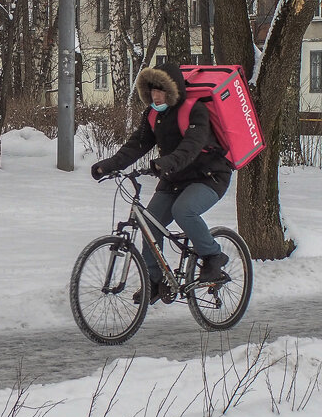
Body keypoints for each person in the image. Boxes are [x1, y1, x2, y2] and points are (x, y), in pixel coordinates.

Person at [90, 62, 233, 294]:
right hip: (174, 178)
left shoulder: (195, 110)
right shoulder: (152, 114)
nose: (155, 96)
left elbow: (191, 146)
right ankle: (155, 282)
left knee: (183, 210)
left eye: (160, 90)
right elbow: (137, 144)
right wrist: (109, 165)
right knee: (149, 221)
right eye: (151, 91)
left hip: (209, 176)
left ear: (173, 89)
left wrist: (166, 163)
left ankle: (213, 256)